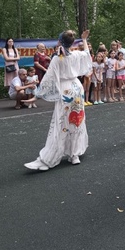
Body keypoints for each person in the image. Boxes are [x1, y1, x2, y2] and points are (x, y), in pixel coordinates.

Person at [24, 29, 93, 171]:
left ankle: (52, 156)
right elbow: (87, 54)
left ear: (59, 42)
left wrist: (36, 96)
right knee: (77, 121)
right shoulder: (75, 55)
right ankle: (74, 155)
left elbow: (48, 79)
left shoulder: (58, 58)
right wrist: (84, 39)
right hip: (77, 89)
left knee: (62, 122)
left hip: (66, 90)